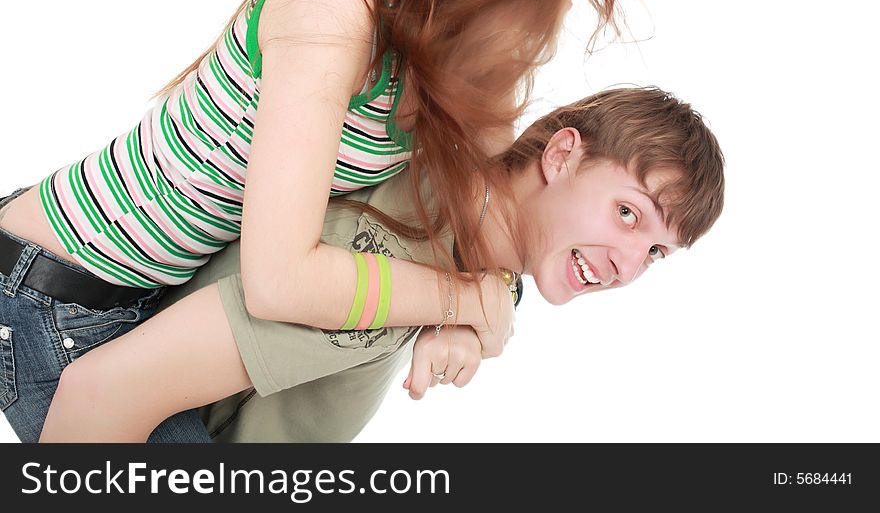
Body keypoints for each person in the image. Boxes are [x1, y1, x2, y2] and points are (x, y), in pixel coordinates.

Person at [0, 0, 689, 442]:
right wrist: (459, 302)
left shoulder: (472, 56)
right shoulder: (336, 13)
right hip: (54, 296)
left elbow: (487, 218)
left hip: (151, 301)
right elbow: (281, 280)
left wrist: (472, 316)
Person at [39, 86, 726, 442]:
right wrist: (463, 305)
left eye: (656, 252)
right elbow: (99, 396)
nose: (628, 265)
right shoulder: (393, 256)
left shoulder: (470, 239)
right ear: (561, 154)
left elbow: (490, 278)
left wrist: (482, 304)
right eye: (628, 214)